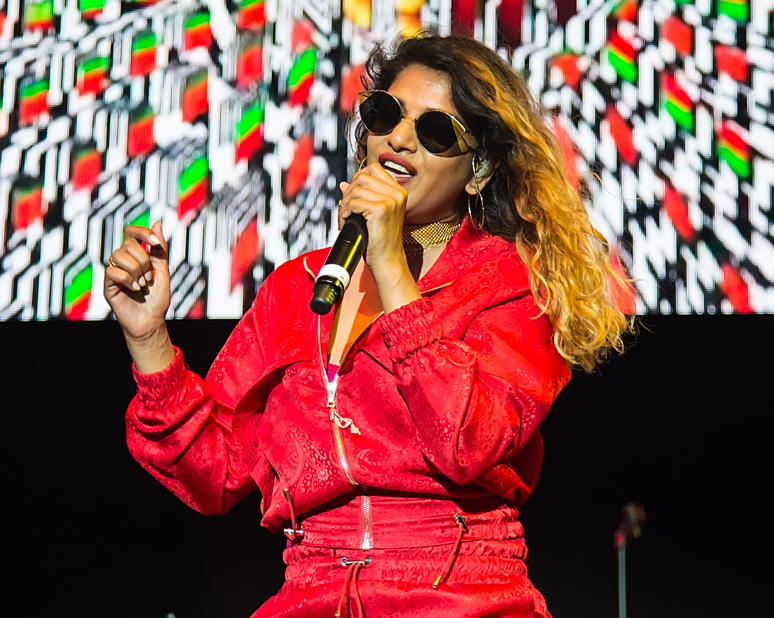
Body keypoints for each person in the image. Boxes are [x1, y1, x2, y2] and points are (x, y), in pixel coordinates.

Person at [104, 34, 631, 618]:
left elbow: (468, 442)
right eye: (387, 115)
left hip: (459, 594)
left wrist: (390, 266)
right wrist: (148, 337)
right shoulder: (295, 287)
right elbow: (214, 475)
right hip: (312, 592)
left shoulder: (509, 284)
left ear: (477, 171)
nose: (400, 138)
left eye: (436, 131)